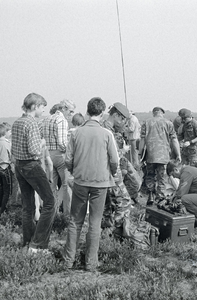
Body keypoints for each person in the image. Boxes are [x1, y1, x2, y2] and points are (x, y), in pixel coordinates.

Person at [63, 97, 119, 271]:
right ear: (102, 114)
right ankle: (91, 263)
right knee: (95, 223)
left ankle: (68, 260)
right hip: (101, 183)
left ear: (87, 111)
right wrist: (111, 172)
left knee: (75, 221)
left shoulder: (76, 133)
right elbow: (115, 160)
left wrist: (74, 171)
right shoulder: (107, 134)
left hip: (80, 181)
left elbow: (68, 159)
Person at [12, 93, 56, 253]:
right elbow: (34, 150)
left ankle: (28, 243)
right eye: (42, 107)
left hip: (19, 166)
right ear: (35, 106)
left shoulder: (17, 122)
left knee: (28, 206)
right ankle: (38, 245)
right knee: (50, 202)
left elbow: (14, 149)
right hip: (31, 165)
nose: (43, 111)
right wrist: (43, 143)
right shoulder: (32, 123)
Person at [139, 106, 181, 205]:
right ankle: (161, 197)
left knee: (150, 175)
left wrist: (140, 154)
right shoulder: (168, 123)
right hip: (164, 156)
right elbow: (174, 140)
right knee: (162, 178)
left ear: (153, 113)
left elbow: (142, 140)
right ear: (162, 113)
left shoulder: (146, 122)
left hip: (150, 155)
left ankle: (151, 195)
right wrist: (178, 154)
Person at [41, 99, 76, 216]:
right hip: (60, 155)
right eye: (70, 111)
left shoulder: (46, 119)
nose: (71, 114)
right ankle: (67, 215)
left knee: (51, 187)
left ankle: (52, 214)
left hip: (48, 155)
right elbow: (62, 143)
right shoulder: (61, 120)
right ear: (64, 108)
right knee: (67, 186)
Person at [101, 102, 134, 228]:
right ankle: (119, 232)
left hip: (102, 173)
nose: (123, 122)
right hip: (112, 173)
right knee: (125, 202)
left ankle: (105, 231)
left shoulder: (101, 126)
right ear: (115, 115)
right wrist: (123, 151)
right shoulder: (108, 131)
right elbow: (112, 155)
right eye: (122, 119)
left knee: (107, 205)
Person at [166, 160, 197, 230]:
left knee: (185, 200)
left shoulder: (186, 173)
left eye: (173, 175)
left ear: (176, 170)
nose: (174, 177)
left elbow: (181, 194)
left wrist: (171, 201)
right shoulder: (188, 169)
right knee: (187, 198)